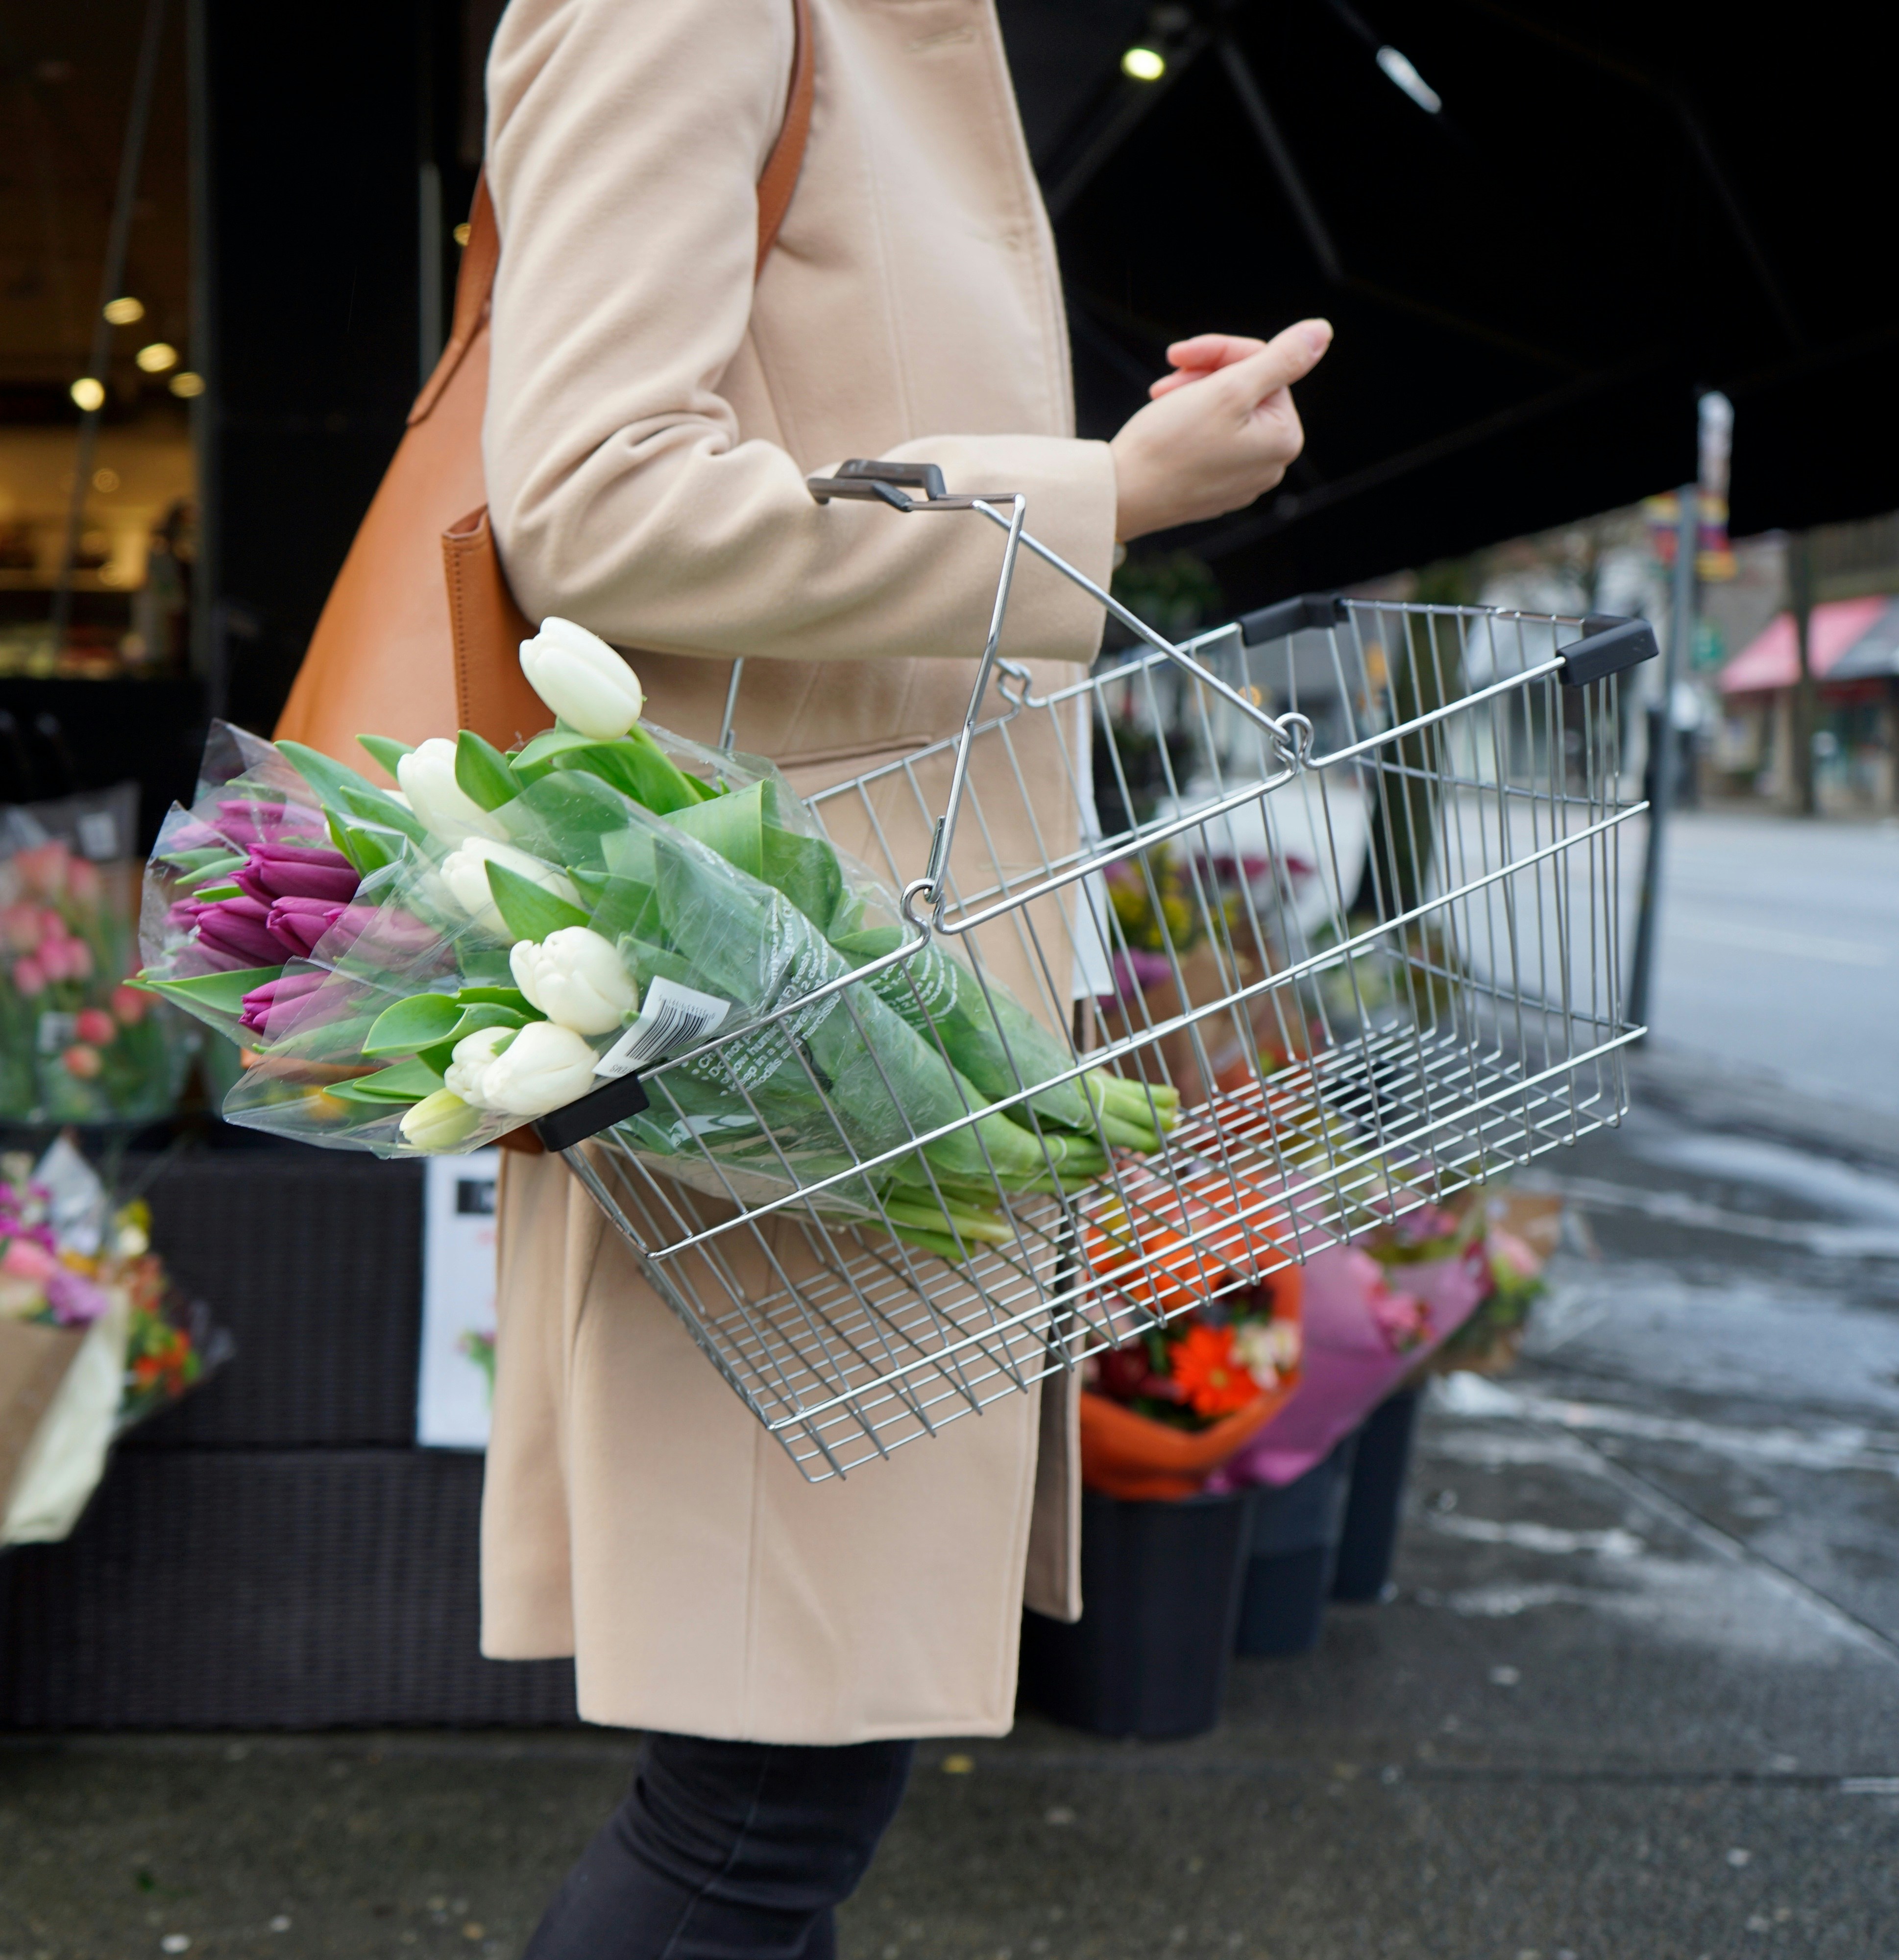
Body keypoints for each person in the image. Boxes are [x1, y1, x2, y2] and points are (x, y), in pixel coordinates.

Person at [477, 3, 1331, 1953]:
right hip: (791, 1023)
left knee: (783, 1778)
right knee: (757, 1807)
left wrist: (1120, 466)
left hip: (863, 1017)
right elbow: (591, 503)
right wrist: (1099, 500)